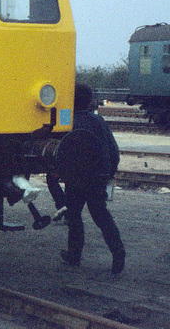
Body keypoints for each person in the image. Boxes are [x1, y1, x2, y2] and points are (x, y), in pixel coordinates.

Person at [61, 83, 126, 274]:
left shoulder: (66, 120)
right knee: (101, 216)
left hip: (75, 179)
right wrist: (108, 174)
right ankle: (118, 252)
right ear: (89, 101)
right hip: (97, 177)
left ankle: (74, 256)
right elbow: (114, 151)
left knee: (74, 217)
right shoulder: (99, 121)